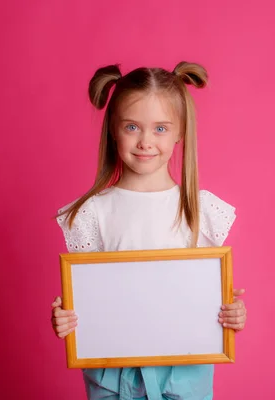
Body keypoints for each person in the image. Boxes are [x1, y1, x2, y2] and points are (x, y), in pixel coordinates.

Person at [50, 61, 247, 400]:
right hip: (113, 376)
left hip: (185, 376)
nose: (145, 142)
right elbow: (86, 298)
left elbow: (208, 297)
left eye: (160, 129)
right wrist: (66, 317)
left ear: (179, 132)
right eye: (132, 127)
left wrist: (232, 313)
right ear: (113, 129)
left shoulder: (201, 211)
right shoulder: (91, 214)